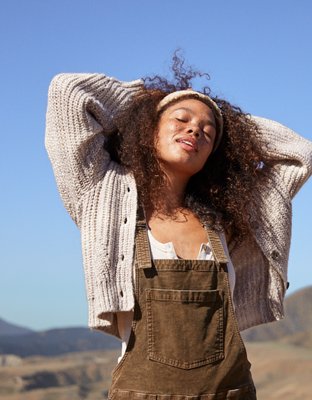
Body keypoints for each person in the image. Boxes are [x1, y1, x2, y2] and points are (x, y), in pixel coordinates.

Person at [45, 54, 312, 399]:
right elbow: (67, 91)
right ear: (148, 130)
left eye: (208, 133)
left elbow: (300, 154)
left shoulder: (230, 219)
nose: (195, 130)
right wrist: (149, 102)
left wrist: (231, 126)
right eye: (180, 120)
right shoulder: (103, 197)